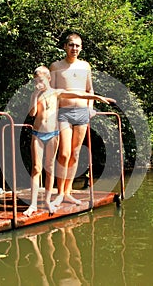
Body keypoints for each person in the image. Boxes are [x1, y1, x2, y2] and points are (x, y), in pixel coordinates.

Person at [23, 66, 115, 217]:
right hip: (37, 134)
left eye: (41, 80)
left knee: (50, 167)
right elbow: (32, 113)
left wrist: (97, 98)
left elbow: (78, 94)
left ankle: (47, 201)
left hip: (52, 134)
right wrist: (35, 95)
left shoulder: (57, 93)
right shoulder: (35, 94)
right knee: (36, 168)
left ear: (49, 79)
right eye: (36, 81)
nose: (38, 83)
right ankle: (32, 205)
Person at [49, 32, 95, 207]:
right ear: (65, 47)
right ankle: (59, 192)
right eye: (71, 45)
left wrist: (91, 109)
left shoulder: (85, 66)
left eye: (77, 45)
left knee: (75, 154)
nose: (74, 48)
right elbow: (51, 92)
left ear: (81, 48)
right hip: (63, 113)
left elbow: (90, 89)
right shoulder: (56, 66)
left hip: (82, 112)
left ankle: (68, 192)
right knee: (64, 153)